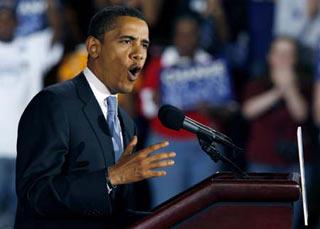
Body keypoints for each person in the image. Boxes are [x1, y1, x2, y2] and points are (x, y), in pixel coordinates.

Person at [15, 6, 176, 229]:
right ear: (93, 47)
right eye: (127, 41)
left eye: (145, 44)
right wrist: (110, 177)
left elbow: (112, 213)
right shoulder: (54, 103)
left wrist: (174, 219)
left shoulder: (126, 123)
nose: (139, 52)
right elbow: (35, 194)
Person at [140, 14, 236, 208]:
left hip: (206, 145)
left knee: (205, 209)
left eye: (191, 34)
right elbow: (146, 109)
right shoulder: (160, 65)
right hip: (167, 145)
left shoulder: (212, 64)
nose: (186, 39)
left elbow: (231, 108)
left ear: (200, 36)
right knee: (168, 208)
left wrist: (214, 110)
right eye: (181, 34)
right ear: (174, 36)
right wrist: (158, 100)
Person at [0, 4, 62, 228]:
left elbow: (56, 33)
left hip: (25, 149)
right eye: (1, 19)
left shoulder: (31, 48)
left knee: (22, 212)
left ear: (17, 23)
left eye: (8, 19)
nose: (4, 23)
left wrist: (53, 6)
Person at [242, 36, 314, 228]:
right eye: (279, 53)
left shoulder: (306, 85)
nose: (283, 58)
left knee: (291, 219)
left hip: (296, 164)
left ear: (295, 59)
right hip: (261, 161)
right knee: (259, 217)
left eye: (288, 54)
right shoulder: (257, 84)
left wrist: (289, 87)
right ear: (270, 57)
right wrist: (278, 91)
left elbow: (301, 113)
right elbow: (248, 111)